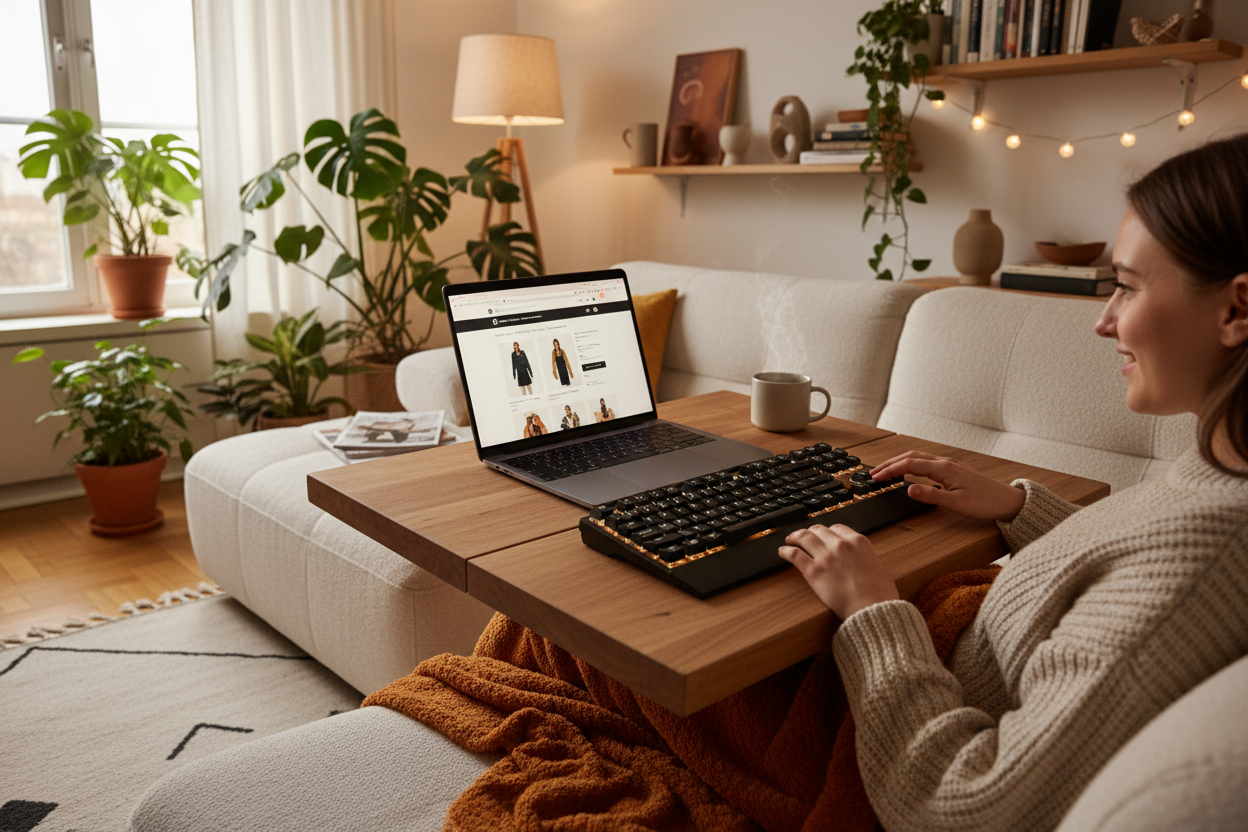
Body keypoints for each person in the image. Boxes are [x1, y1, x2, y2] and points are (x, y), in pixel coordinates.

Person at [778, 134, 1248, 831]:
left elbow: (966, 805)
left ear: (1238, 311)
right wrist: (1021, 508)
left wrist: (874, 614)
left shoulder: (1202, 568)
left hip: (875, 729)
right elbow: (1129, 576)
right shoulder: (1223, 471)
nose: (1104, 320)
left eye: (1126, 285)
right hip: (936, 657)